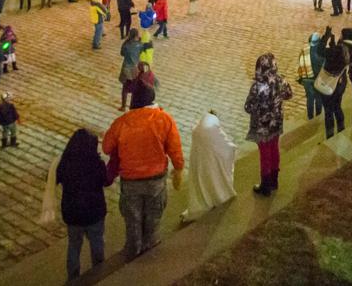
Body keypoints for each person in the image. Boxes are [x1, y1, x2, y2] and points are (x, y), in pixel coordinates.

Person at [102, 83, 184, 261]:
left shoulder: (122, 122)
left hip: (130, 181)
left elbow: (107, 147)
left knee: (132, 220)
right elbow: (175, 149)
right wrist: (178, 169)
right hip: (156, 181)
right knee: (153, 217)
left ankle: (133, 251)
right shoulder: (164, 119)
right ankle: (150, 251)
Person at [57, 128, 111, 280]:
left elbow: (54, 178)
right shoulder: (97, 164)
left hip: (73, 213)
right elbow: (105, 181)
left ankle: (73, 276)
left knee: (74, 245)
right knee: (97, 242)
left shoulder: (65, 164)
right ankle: (99, 272)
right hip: (94, 212)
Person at [245, 53, 293, 196]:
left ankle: (265, 185)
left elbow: (248, 107)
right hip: (276, 122)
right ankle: (274, 180)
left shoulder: (257, 87)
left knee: (264, 153)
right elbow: (289, 94)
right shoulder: (281, 80)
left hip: (262, 126)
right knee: (274, 148)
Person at [180, 112, 237, 221]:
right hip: (211, 162)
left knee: (202, 182)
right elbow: (225, 145)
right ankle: (217, 195)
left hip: (200, 163)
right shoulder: (214, 129)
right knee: (214, 178)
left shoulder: (198, 129)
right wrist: (232, 148)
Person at [297, 32, 324, 120]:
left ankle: (310, 117)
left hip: (306, 78)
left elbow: (300, 64)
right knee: (319, 97)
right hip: (318, 78)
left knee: (310, 98)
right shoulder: (321, 51)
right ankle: (318, 115)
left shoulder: (304, 50)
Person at [119, 29, 142, 111]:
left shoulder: (126, 45)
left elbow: (122, 53)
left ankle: (123, 106)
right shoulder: (140, 44)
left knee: (125, 89)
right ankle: (132, 106)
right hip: (135, 68)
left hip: (127, 68)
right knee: (134, 88)